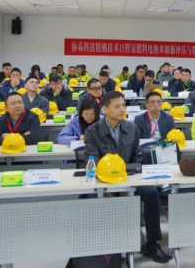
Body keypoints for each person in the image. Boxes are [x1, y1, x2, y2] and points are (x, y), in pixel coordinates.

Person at [84, 91, 171, 263]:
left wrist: (128, 184)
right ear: (105, 109)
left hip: (128, 178)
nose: (122, 109)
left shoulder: (131, 128)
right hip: (104, 181)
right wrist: (113, 187)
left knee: (152, 193)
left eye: (123, 105)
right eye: (117, 106)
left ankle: (152, 244)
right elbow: (93, 161)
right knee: (93, 198)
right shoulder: (92, 131)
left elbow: (137, 158)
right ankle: (104, 248)